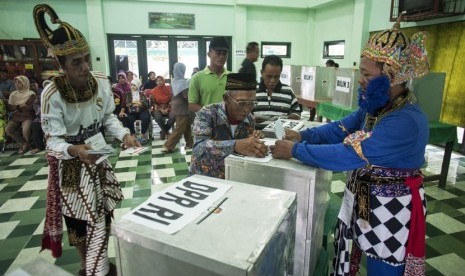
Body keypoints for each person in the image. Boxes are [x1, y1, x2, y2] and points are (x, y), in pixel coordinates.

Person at [270, 16, 429, 276]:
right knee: (358, 249)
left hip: (392, 209)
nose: (361, 80)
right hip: (365, 199)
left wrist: (296, 151)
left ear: (391, 75)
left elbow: (349, 155)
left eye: (366, 74)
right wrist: (302, 137)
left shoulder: (406, 120)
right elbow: (339, 128)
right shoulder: (375, 106)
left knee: (383, 266)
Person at [33, 4, 140, 276]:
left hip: (98, 156)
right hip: (70, 164)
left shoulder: (101, 82)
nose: (84, 66)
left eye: (86, 58)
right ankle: (87, 265)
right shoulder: (51, 95)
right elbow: (52, 141)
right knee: (78, 220)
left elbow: (108, 119)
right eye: (76, 62)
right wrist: (74, 149)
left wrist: (124, 134)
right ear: (61, 65)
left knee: (103, 211)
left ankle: (100, 261)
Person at [190, 73, 268, 179]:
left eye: (251, 103)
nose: (246, 109)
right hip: (204, 179)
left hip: (234, 177)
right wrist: (235, 145)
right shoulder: (207, 113)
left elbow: (246, 149)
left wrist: (256, 145)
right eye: (241, 103)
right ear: (226, 98)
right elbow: (198, 148)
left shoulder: (249, 118)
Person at [252, 55, 301, 122]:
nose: (272, 80)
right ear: (262, 73)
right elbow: (245, 116)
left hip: (281, 132)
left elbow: (297, 114)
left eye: (276, 77)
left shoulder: (288, 91)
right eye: (269, 76)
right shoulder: (252, 91)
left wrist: (283, 118)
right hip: (257, 132)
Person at [188, 36, 230, 112]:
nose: (221, 57)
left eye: (224, 54)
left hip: (228, 123)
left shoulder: (233, 77)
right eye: (218, 53)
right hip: (207, 122)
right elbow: (192, 104)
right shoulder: (197, 78)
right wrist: (211, 114)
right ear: (209, 54)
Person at [162, 62, 193, 152]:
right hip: (183, 108)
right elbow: (186, 97)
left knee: (186, 126)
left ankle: (190, 143)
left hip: (176, 106)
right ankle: (168, 146)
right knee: (179, 128)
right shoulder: (183, 83)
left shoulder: (174, 81)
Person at [5, 75, 36, 154]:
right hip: (16, 116)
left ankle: (26, 144)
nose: (17, 84)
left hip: (28, 115)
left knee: (25, 130)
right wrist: (20, 106)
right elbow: (10, 107)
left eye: (19, 82)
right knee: (8, 129)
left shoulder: (31, 93)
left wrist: (16, 106)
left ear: (25, 83)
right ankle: (24, 143)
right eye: (16, 83)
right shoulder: (13, 94)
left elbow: (28, 107)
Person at [124, 79, 151, 144]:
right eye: (131, 85)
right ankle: (132, 134)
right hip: (132, 111)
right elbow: (127, 103)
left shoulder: (142, 93)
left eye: (134, 85)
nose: (132, 87)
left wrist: (134, 103)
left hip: (142, 110)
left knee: (146, 117)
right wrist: (138, 102)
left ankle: (142, 134)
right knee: (129, 118)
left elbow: (145, 104)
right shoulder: (128, 94)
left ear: (138, 86)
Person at [150, 75, 174, 140]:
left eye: (160, 80)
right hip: (158, 108)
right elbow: (153, 103)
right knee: (158, 117)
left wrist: (168, 108)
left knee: (173, 116)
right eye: (157, 81)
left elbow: (173, 99)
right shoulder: (154, 91)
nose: (159, 82)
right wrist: (160, 109)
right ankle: (167, 133)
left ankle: (163, 132)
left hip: (169, 107)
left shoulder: (169, 88)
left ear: (163, 81)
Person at [29, 78, 45, 154]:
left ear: (37, 84)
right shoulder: (29, 94)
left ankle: (51, 145)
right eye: (30, 85)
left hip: (46, 114)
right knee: (35, 125)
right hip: (38, 116)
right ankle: (39, 146)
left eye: (33, 85)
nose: (32, 87)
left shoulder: (42, 92)